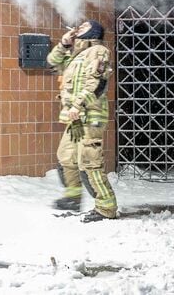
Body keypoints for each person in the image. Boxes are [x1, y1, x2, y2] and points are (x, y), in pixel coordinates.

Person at [46, 20, 117, 223]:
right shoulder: (75, 55)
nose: (79, 28)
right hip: (75, 118)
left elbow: (97, 82)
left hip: (89, 115)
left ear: (93, 31)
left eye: (84, 26)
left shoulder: (98, 51)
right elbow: (52, 63)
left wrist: (78, 105)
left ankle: (106, 207)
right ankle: (73, 197)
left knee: (90, 161)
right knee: (66, 157)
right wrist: (64, 44)